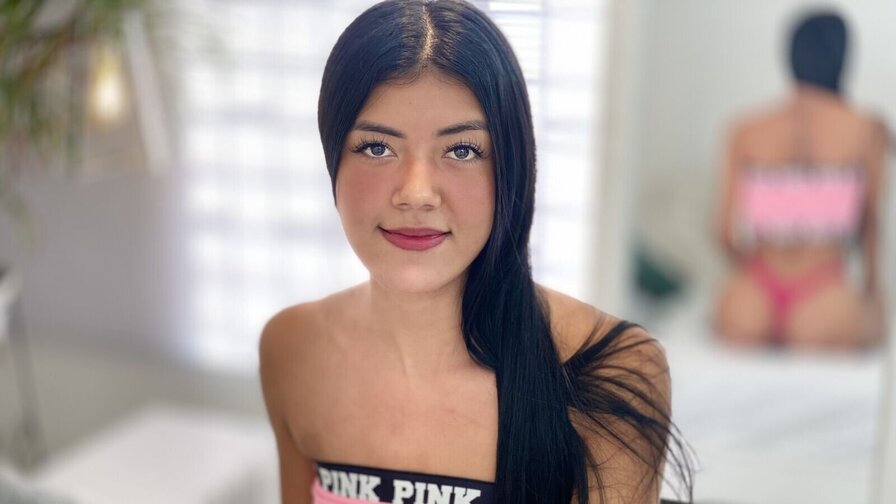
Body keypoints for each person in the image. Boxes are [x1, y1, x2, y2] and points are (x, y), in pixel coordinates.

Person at [259, 1, 693, 503]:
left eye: (461, 150)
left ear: (510, 167)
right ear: (333, 158)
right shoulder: (293, 349)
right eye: (377, 147)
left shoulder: (608, 369)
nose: (416, 193)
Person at [714, 10, 889, 350]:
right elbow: (870, 228)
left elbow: (723, 233)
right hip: (824, 296)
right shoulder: (866, 130)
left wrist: (752, 270)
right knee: (878, 320)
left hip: (753, 297)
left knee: (730, 314)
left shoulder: (746, 129)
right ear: (842, 58)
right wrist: (872, 296)